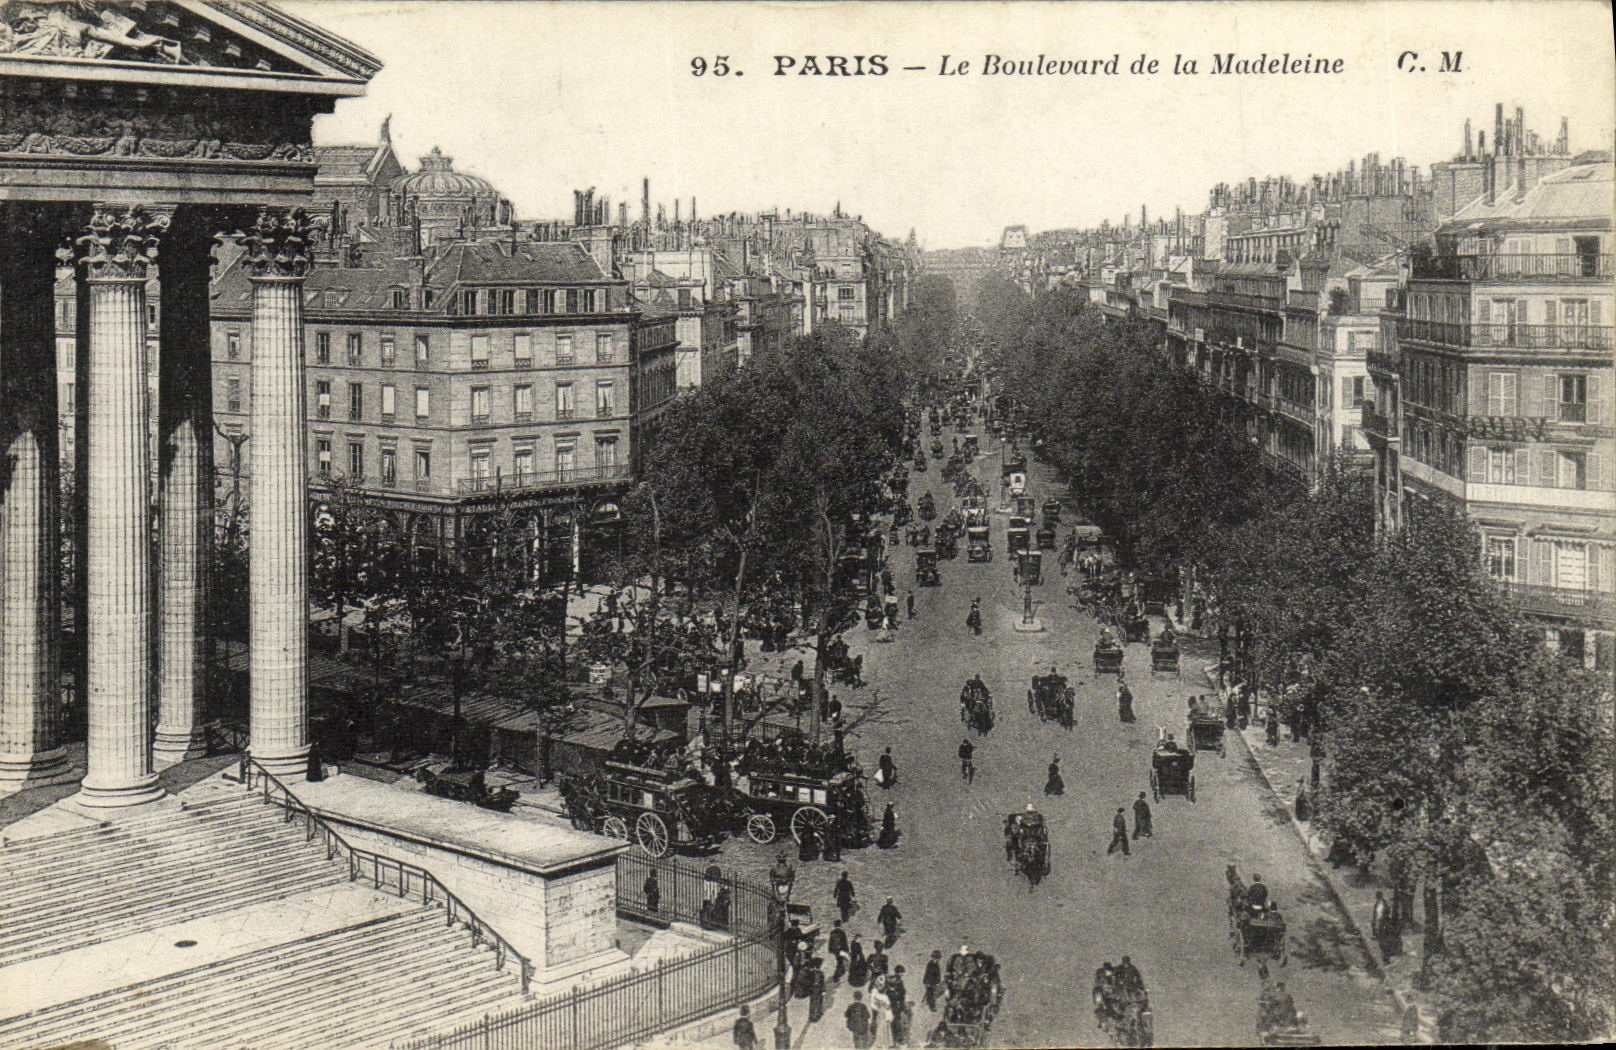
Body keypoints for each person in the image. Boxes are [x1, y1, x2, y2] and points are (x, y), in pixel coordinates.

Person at [808, 956, 827, 1024]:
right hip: (818, 990)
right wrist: (823, 990)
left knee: (813, 1002)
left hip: (813, 990)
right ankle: (815, 1015)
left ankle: (814, 1014)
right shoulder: (820, 974)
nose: (824, 966)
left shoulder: (812, 972)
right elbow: (821, 983)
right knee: (817, 1002)